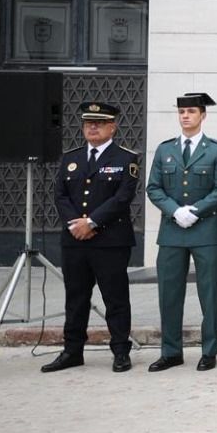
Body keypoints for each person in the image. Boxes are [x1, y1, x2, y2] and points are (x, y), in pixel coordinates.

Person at [40, 102, 141, 373]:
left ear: (112, 126)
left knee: (115, 298)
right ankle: (72, 351)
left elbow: (122, 197)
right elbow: (60, 194)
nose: (92, 127)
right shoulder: (71, 158)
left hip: (110, 240)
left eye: (99, 123)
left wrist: (93, 222)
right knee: (75, 297)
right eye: (88, 123)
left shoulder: (126, 158)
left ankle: (120, 351)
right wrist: (77, 224)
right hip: (75, 240)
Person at [145, 92, 217, 372]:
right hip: (172, 231)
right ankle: (171, 351)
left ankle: (209, 351)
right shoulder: (165, 149)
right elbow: (154, 187)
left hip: (206, 230)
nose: (185, 116)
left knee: (210, 295)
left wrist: (194, 210)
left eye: (192, 112)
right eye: (182, 112)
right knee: (169, 294)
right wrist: (174, 211)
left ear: (203, 115)